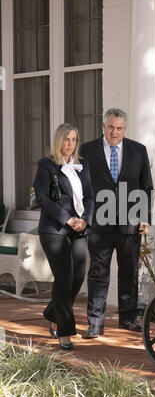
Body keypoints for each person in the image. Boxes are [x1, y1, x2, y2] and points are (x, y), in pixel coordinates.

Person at [80, 108, 153, 338]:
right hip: (99, 222)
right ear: (103, 126)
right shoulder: (87, 151)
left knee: (129, 273)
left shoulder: (138, 150)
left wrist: (144, 217)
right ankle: (95, 322)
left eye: (119, 128)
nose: (114, 132)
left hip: (129, 222)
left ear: (125, 129)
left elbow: (146, 186)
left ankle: (128, 318)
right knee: (98, 273)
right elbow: (80, 185)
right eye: (110, 127)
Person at [33, 123, 94, 350]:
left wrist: (85, 219)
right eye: (66, 139)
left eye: (74, 140)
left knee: (78, 275)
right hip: (54, 229)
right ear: (59, 140)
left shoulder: (83, 164)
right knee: (64, 276)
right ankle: (64, 330)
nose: (70, 144)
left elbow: (89, 196)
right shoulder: (46, 165)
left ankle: (53, 311)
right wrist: (68, 219)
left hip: (79, 227)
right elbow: (42, 198)